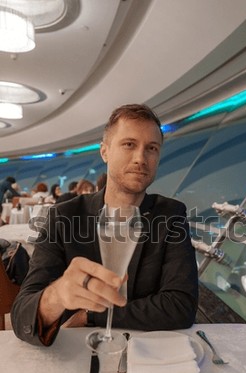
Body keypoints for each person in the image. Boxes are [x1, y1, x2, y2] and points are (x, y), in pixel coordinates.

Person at [11, 103, 198, 346]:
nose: (141, 158)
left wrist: (91, 315)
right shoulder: (64, 216)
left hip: (148, 354)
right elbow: (21, 316)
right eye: (129, 144)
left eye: (151, 148)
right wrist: (56, 295)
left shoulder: (171, 215)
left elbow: (181, 306)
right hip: (76, 354)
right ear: (105, 151)